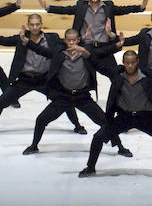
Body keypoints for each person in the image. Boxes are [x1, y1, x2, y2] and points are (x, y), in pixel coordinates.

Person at [21, 28, 131, 156]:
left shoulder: (86, 53)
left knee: (105, 122)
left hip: (82, 96)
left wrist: (116, 46)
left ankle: (120, 147)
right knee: (41, 120)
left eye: (74, 40)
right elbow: (42, 51)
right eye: (69, 40)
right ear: (65, 40)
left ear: (79, 40)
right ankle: (34, 146)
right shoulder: (59, 53)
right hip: (64, 96)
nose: (72, 43)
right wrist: (27, 42)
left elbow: (102, 54)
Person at [79, 51, 152, 178]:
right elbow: (100, 66)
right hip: (124, 118)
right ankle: (90, 168)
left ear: (137, 62)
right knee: (98, 137)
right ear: (123, 63)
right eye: (127, 63)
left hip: (145, 118)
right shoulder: (117, 74)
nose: (130, 66)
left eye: (133, 63)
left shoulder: (147, 75)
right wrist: (87, 53)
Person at [0, 15, 85, 137]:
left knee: (63, 100)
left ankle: (77, 125)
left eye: (37, 24)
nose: (35, 27)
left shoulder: (51, 38)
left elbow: (67, 43)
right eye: (32, 24)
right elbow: (3, 40)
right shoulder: (21, 38)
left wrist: (83, 40)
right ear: (28, 25)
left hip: (44, 80)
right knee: (1, 101)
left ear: (41, 24)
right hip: (25, 79)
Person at [38, 0, 148, 96]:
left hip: (105, 48)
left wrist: (140, 8)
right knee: (82, 73)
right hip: (87, 47)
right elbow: (66, 10)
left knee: (115, 74)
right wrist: (48, 8)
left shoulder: (108, 6)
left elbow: (123, 10)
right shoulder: (81, 6)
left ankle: (122, 97)